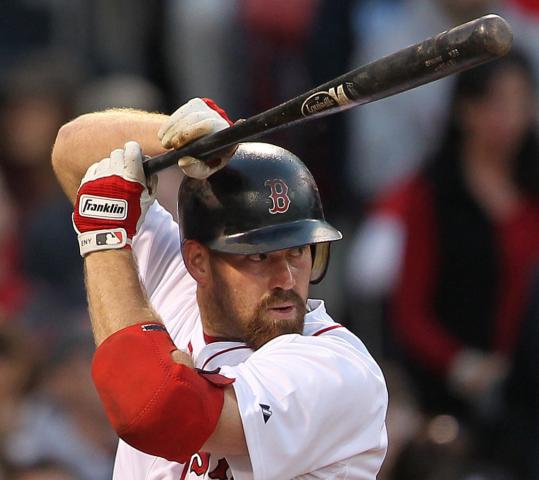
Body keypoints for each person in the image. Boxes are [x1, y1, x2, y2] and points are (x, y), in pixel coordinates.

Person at [51, 98, 388, 479]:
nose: (286, 279)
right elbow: (71, 153)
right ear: (198, 261)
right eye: (259, 256)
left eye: (296, 252)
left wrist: (105, 239)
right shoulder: (179, 283)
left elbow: (157, 412)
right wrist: (178, 138)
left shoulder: (337, 370)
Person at [346, 50, 539, 476]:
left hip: (526, 384)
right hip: (448, 392)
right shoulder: (430, 195)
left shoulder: (532, 187)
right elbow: (409, 313)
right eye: (498, 103)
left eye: (521, 102)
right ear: (467, 110)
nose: (511, 117)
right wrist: (461, 365)